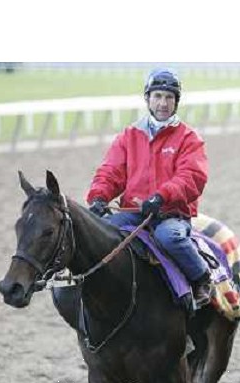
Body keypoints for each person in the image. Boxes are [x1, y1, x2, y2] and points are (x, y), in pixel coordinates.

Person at [86, 68, 212, 306]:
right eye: (158, 96)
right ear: (147, 98)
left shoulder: (189, 138)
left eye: (169, 97)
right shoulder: (129, 136)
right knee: (101, 234)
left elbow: (192, 177)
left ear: (176, 101)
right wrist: (99, 197)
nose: (163, 103)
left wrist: (161, 197)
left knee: (169, 238)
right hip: (133, 214)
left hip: (170, 215)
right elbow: (111, 171)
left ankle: (201, 279)